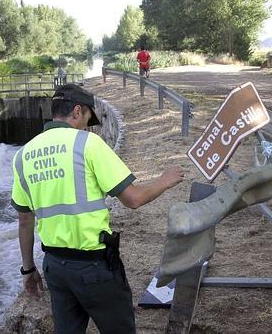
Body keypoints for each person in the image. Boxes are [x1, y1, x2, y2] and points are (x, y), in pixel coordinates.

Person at [11, 83, 184, 333]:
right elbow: (133, 199)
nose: (86, 126)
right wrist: (164, 181)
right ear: (77, 111)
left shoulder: (23, 155)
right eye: (88, 119)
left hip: (55, 267)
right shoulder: (87, 144)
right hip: (93, 267)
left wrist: (28, 269)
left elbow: (24, 221)